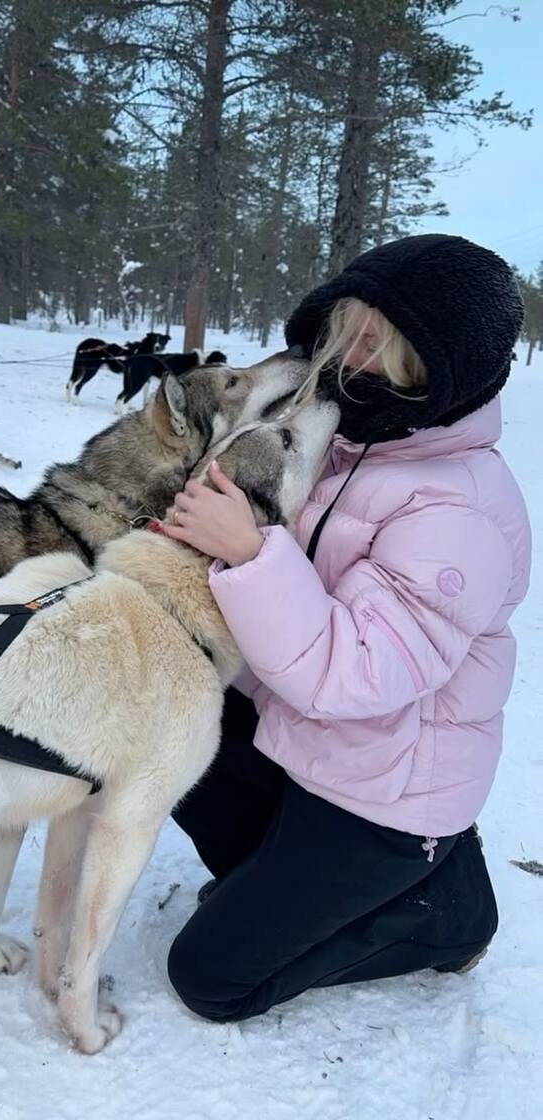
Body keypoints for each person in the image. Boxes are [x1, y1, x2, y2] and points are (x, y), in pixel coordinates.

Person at [158, 233, 532, 1024]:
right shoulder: (359, 444)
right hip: (313, 749)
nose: (348, 359)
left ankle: (443, 912)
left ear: (436, 369)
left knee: (212, 978)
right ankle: (288, 884)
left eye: (378, 346)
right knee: (172, 721)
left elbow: (355, 673)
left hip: (386, 796)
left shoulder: (455, 509)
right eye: (345, 333)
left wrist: (250, 550)